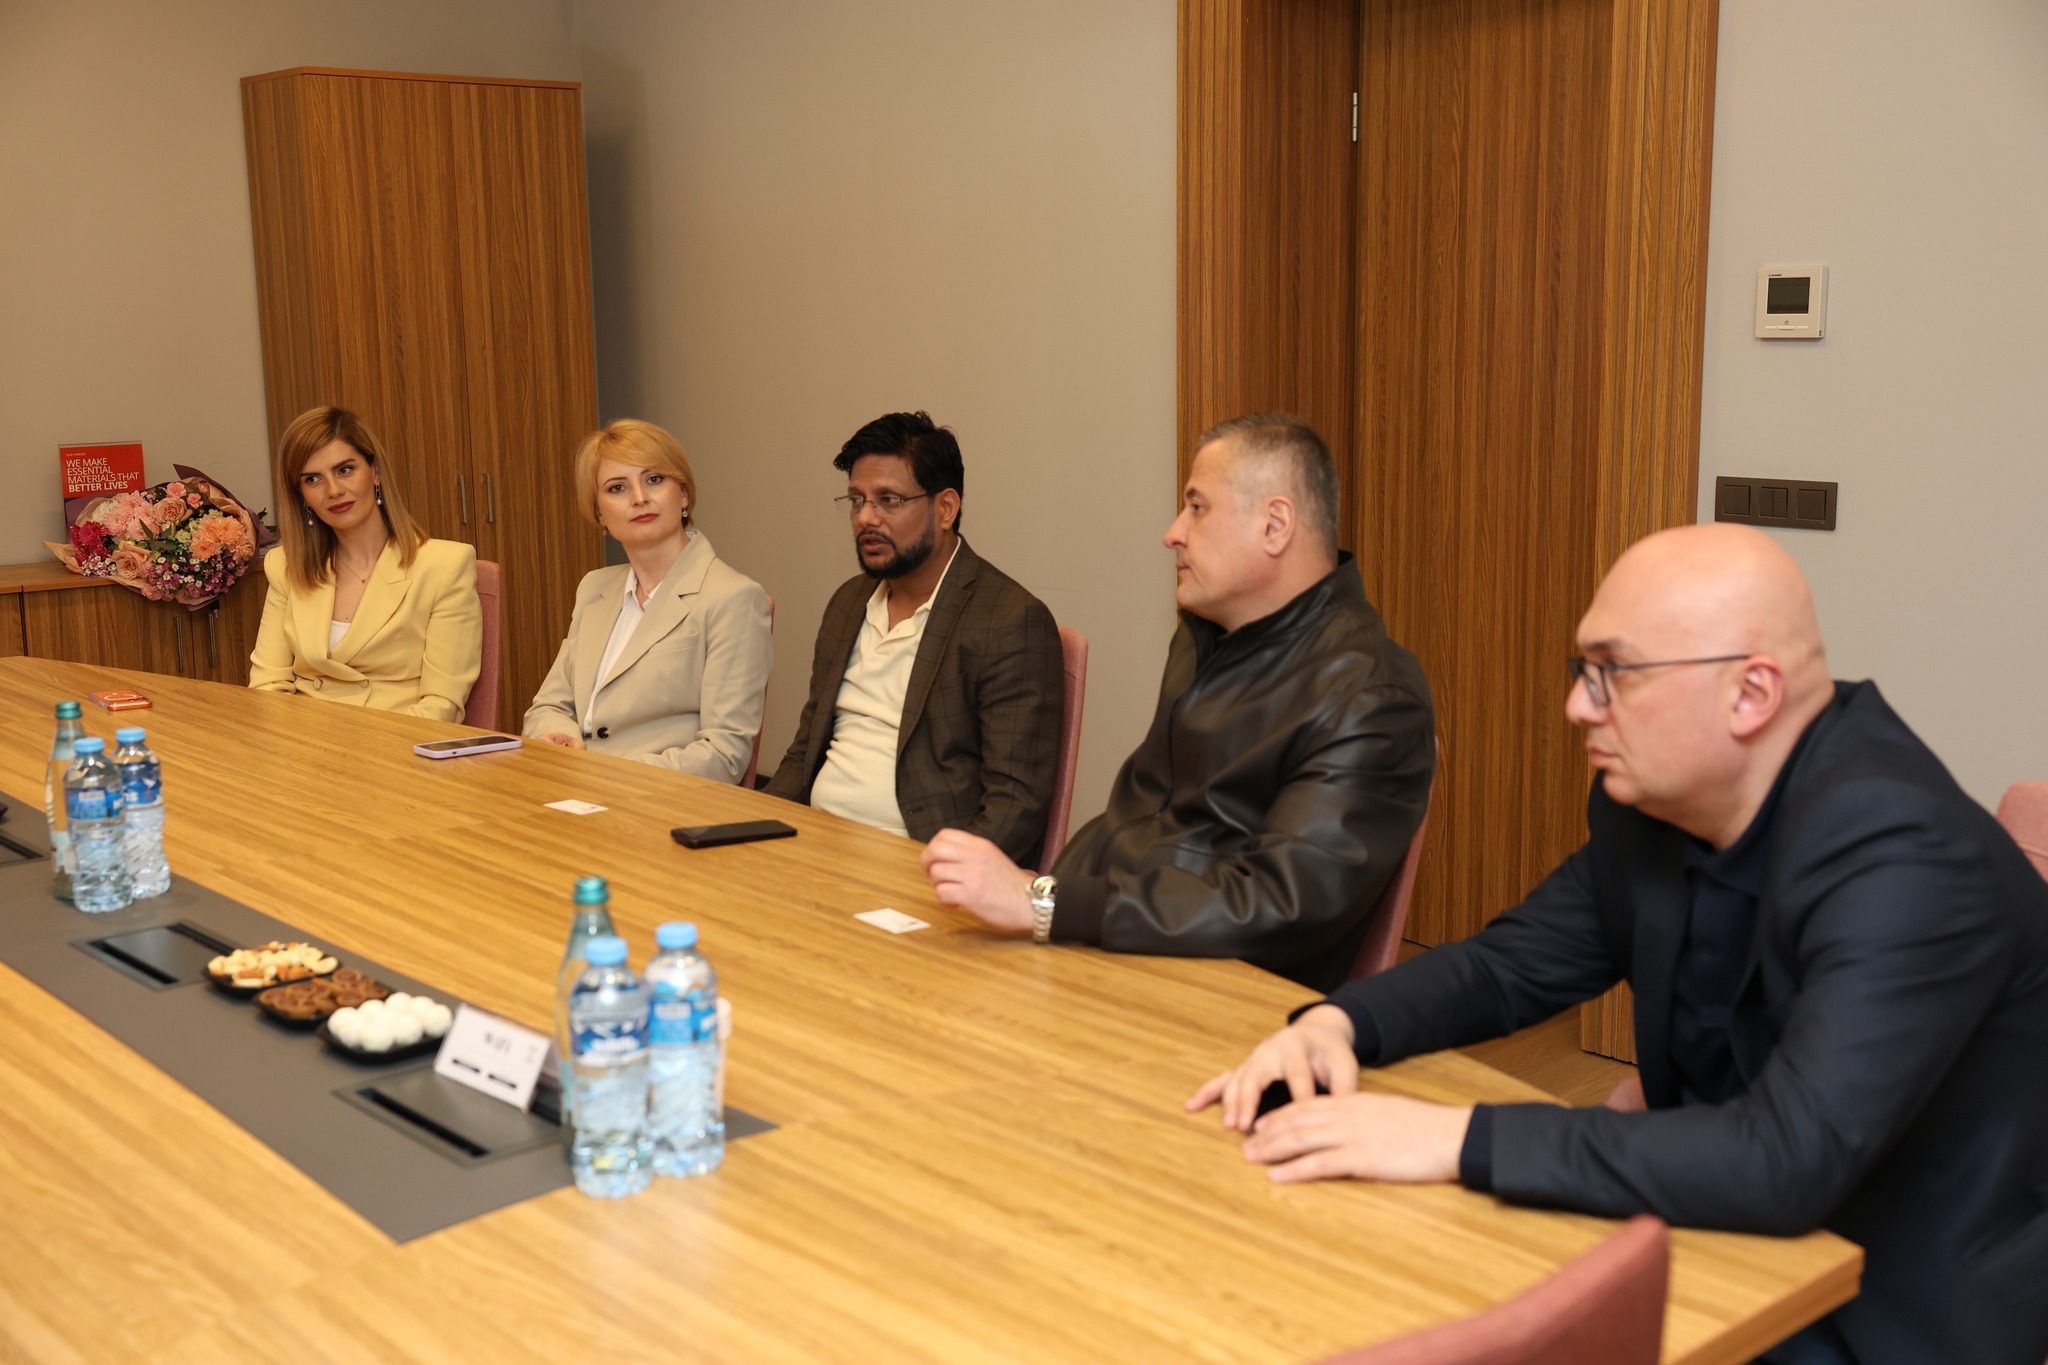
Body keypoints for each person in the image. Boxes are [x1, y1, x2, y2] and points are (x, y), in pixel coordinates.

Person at [1190, 523, 2048, 1365]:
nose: (1577, 705)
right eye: (1583, 670)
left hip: (1893, 1302)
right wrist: (1337, 1025)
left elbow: (1785, 1159)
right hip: (1718, 1221)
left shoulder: (1903, 851)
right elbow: (1505, 966)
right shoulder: (1655, 802)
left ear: (1751, 694)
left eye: (1615, 673)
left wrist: (1452, 1138)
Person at [923, 414, 1434, 992]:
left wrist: (1047, 905)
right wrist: (1041, 900)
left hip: (1212, 999)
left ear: (1275, 525)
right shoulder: (1204, 636)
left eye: (1197, 508)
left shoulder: (1372, 696)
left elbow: (1277, 905)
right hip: (1103, 948)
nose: (1173, 532)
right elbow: (1140, 826)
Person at [764, 411, 1062, 862]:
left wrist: (947, 877)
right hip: (815, 841)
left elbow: (1015, 804)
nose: (866, 518)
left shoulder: (1009, 620)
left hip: (917, 859)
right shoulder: (848, 602)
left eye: (889, 500)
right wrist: (755, 825)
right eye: (857, 500)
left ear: (945, 508)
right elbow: (805, 750)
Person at [523, 419, 772, 780]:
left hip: (655, 795)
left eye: (654, 479)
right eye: (617, 487)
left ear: (683, 494)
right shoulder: (594, 588)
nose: (639, 497)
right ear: (599, 513)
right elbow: (548, 706)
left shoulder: (733, 597)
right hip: (573, 783)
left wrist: (603, 773)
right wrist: (556, 738)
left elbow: (724, 756)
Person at [248, 406, 480, 722]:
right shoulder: (286, 566)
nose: (334, 491)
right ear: (301, 495)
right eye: (313, 479)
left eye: (345, 470)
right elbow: (267, 686)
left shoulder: (445, 566)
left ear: (375, 472)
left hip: (397, 740)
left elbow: (442, 704)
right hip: (304, 739)